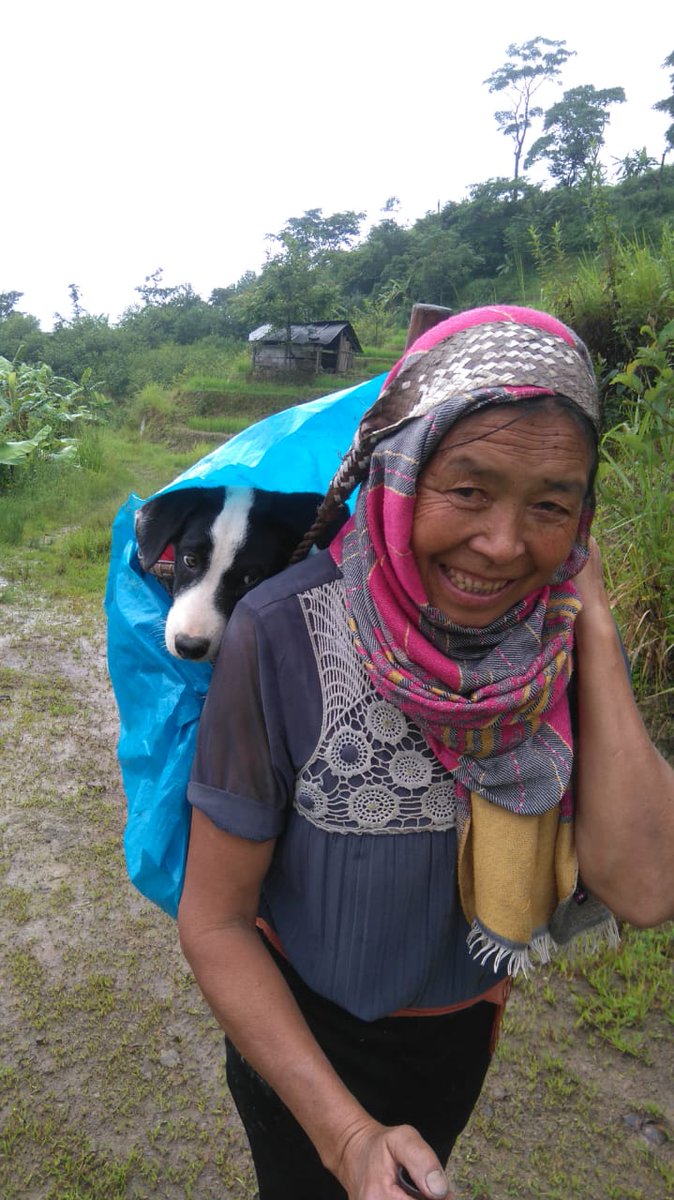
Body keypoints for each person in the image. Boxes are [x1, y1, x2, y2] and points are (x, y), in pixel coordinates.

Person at [177, 306, 674, 1200]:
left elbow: (645, 887)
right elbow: (214, 921)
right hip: (300, 1037)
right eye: (469, 489)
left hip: (459, 1034)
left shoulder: (557, 640)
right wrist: (348, 1135)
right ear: (401, 473)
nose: (503, 545)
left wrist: (593, 619)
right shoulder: (283, 634)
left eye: (552, 505)